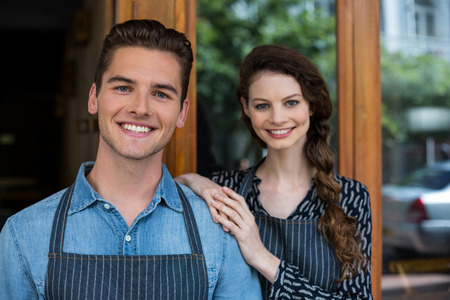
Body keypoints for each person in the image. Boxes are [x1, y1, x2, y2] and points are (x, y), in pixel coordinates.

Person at [0, 19, 261, 299]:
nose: (140, 108)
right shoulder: (23, 234)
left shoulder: (219, 232)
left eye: (161, 94)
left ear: (182, 113)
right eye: (123, 88)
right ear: (94, 98)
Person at [176, 44, 373, 299]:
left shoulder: (351, 196)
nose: (277, 118)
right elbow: (167, 194)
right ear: (246, 108)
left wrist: (262, 258)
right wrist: (194, 181)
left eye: (291, 103)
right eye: (262, 106)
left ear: (311, 105)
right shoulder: (226, 188)